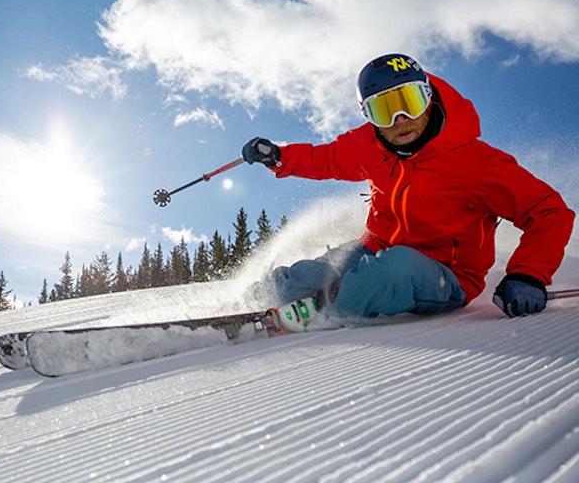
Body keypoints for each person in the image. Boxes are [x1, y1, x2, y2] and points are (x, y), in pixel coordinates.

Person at [242, 53, 574, 324]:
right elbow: (326, 159)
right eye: (384, 110)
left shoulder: (475, 162)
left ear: (428, 98)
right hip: (374, 248)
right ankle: (239, 312)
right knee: (293, 281)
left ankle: (320, 314)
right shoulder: (369, 144)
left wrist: (528, 274)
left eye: (410, 102)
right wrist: (279, 157)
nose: (400, 119)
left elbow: (548, 212)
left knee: (390, 271)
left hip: (449, 274)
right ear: (369, 116)